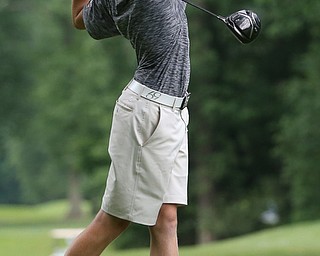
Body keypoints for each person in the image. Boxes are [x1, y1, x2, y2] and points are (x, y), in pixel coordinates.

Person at [66, 0, 191, 255]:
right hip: (148, 114)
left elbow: (80, 17)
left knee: (165, 219)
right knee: (114, 220)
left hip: (173, 112)